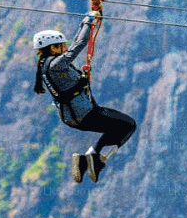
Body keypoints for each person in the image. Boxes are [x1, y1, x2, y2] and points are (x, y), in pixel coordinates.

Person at [32, 13, 136, 183]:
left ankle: (84, 160)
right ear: (52, 48)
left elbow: (69, 83)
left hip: (70, 117)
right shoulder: (56, 64)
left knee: (115, 128)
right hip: (84, 113)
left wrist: (81, 77)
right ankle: (94, 157)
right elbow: (78, 44)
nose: (64, 48)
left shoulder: (45, 66)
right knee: (129, 125)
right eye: (60, 46)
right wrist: (88, 21)